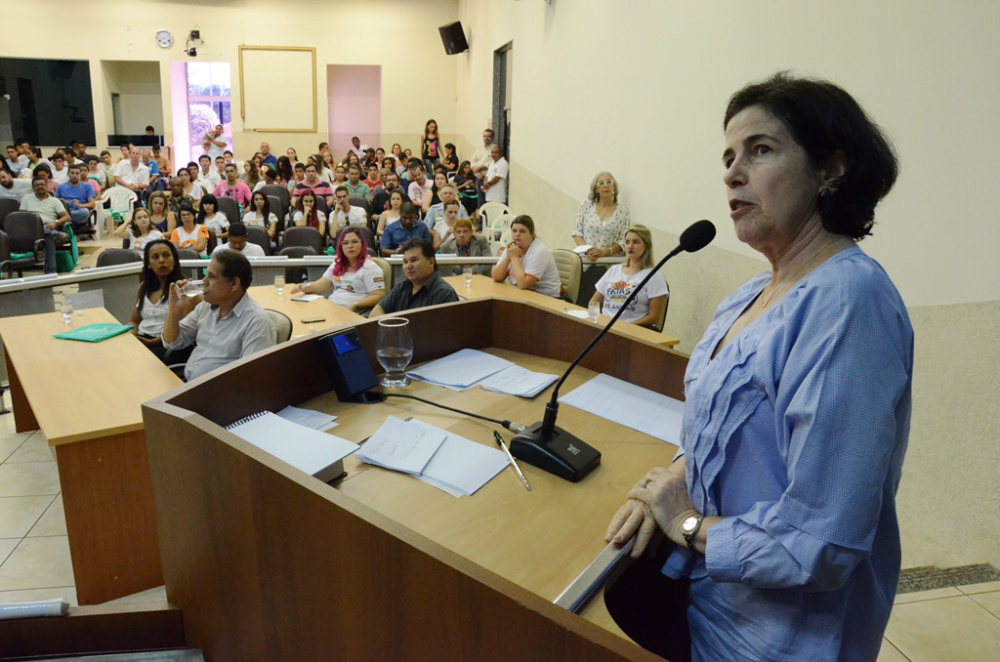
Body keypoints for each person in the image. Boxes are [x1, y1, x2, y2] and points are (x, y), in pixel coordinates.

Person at [603, 73, 911, 662]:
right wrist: (664, 488)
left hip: (776, 641)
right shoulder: (747, 297)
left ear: (831, 170)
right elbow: (713, 435)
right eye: (728, 156)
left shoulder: (847, 303)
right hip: (702, 606)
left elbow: (820, 541)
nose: (731, 172)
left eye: (760, 150)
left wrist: (689, 526)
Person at [162, 249, 276, 381]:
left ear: (234, 283)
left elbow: (250, 379)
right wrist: (173, 310)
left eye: (211, 277)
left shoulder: (256, 322)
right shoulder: (205, 307)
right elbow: (172, 343)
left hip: (217, 395)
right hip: (188, 384)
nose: (204, 281)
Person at [588, 225, 667, 328]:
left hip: (631, 330)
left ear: (646, 246)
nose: (630, 246)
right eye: (627, 242)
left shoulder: (654, 276)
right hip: (604, 327)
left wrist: (625, 327)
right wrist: (595, 320)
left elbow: (654, 317)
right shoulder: (614, 270)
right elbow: (594, 302)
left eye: (636, 242)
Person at [291, 227, 385, 313]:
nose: (350, 246)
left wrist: (355, 305)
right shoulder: (338, 263)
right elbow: (320, 286)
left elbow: (379, 296)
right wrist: (302, 287)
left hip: (355, 312)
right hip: (333, 308)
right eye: (345, 243)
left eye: (355, 242)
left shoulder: (371, 267)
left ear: (362, 245)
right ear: (341, 246)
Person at [132, 239, 187, 362]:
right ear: (148, 264)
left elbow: (184, 329)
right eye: (155, 257)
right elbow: (134, 320)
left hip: (167, 345)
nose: (162, 260)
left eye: (166, 255)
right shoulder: (143, 287)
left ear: (175, 260)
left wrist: (151, 342)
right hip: (143, 339)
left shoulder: (182, 288)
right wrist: (133, 335)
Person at [371, 238, 458, 316]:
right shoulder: (402, 287)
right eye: (405, 262)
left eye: (414, 260)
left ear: (431, 262)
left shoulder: (444, 294)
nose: (408, 266)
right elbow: (376, 312)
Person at [491, 215, 561, 298]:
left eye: (522, 231)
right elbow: (496, 277)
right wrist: (508, 258)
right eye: (514, 231)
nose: (517, 234)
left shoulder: (539, 251)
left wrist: (514, 258)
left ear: (531, 235)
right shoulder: (512, 248)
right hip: (522, 294)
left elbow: (523, 284)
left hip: (547, 298)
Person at [572, 171, 631, 262]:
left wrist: (604, 253)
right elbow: (577, 233)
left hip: (610, 263)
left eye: (609, 182)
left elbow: (623, 240)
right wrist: (588, 251)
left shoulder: (623, 211)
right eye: (601, 183)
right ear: (596, 189)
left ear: (614, 187)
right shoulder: (585, 206)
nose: (605, 186)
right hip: (585, 261)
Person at [20, 176, 71, 273]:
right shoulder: (27, 198)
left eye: (42, 184)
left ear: (47, 186)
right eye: (37, 185)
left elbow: (67, 217)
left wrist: (55, 222)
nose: (40, 187)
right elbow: (21, 216)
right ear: (33, 187)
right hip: (31, 229)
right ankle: (51, 274)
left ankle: (51, 273)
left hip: (48, 226)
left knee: (48, 236)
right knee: (49, 235)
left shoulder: (55, 201)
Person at [470, 128, 495, 207]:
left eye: (488, 136)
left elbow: (492, 162)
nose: (486, 138)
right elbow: (473, 161)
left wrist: (480, 168)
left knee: (489, 202)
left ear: (492, 138)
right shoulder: (479, 148)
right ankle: (481, 219)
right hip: (479, 178)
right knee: (480, 201)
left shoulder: (495, 148)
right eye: (484, 136)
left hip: (490, 180)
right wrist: (476, 171)